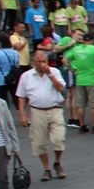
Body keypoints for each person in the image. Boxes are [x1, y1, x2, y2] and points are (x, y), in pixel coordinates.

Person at [15, 48, 67, 181]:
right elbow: (21, 97)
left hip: (55, 108)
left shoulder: (54, 71)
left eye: (44, 61)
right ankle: (46, 169)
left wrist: (50, 74)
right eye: (39, 62)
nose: (42, 64)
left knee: (58, 139)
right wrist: (22, 115)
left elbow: (61, 88)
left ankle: (57, 162)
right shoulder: (26, 76)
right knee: (39, 142)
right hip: (37, 110)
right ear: (34, 62)